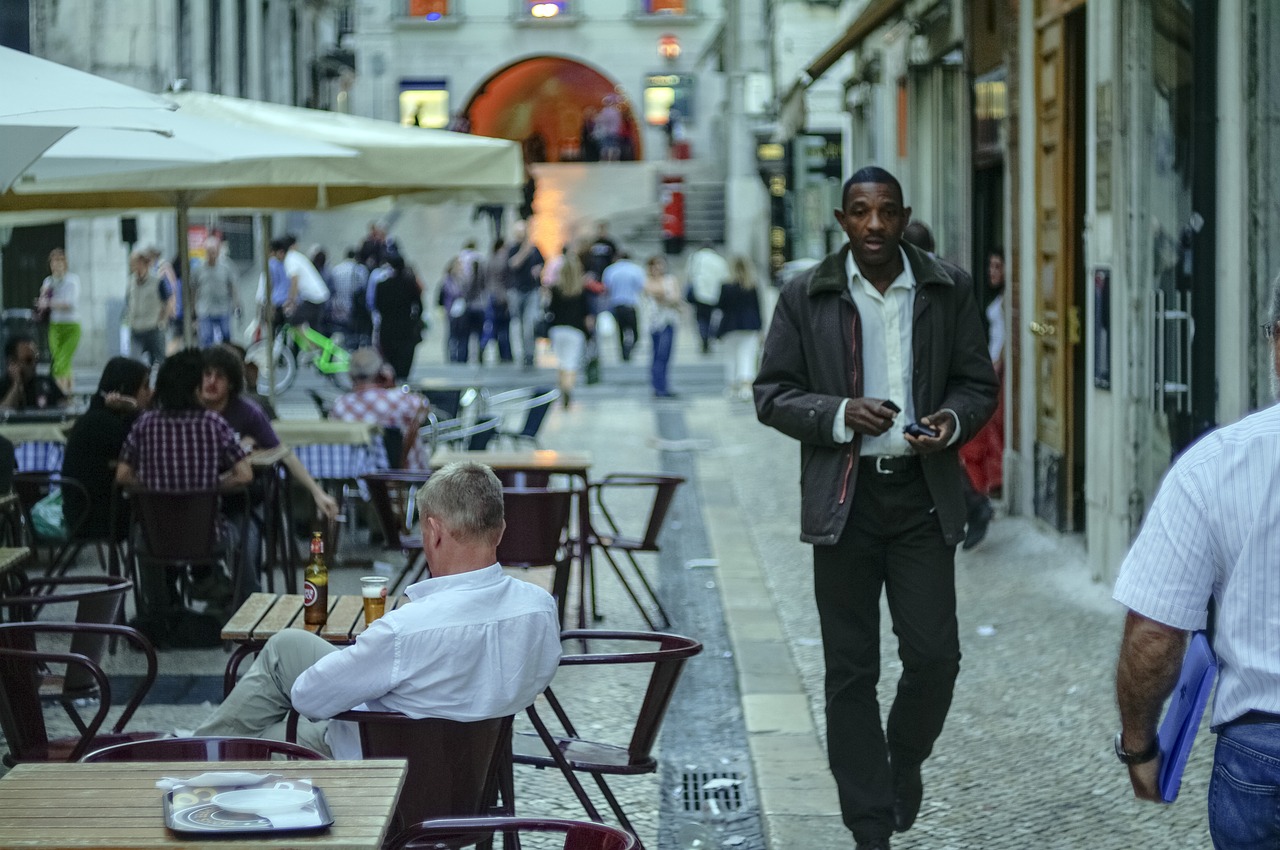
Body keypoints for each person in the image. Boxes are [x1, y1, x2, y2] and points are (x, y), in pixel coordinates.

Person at [753, 166, 998, 850]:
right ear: (841, 220)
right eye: (860, 212)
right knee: (850, 670)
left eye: (886, 211)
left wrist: (950, 421)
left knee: (935, 658)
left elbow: (977, 383)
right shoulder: (807, 294)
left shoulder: (948, 288)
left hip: (921, 498)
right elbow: (772, 393)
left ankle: (905, 758)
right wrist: (838, 412)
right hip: (845, 502)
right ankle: (869, 825)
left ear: (903, 214)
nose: (874, 225)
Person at [192, 461, 563, 758]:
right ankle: (196, 745)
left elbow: (308, 697)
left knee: (251, 738)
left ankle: (189, 755)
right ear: (499, 531)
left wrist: (372, 678)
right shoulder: (539, 608)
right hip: (472, 761)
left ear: (433, 532)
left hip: (379, 755)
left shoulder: (405, 630)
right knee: (286, 646)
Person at [1111, 279, 1280, 847]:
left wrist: (1139, 744)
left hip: (1262, 754)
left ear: (1276, 343)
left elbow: (1155, 637)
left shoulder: (1213, 467)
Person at [117, 349, 253, 616]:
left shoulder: (145, 424)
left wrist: (151, 482)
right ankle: (213, 585)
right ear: (194, 388)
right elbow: (245, 474)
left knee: (142, 537)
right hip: (205, 538)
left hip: (156, 536)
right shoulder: (213, 424)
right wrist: (213, 483)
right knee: (235, 531)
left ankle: (158, 611)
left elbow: (122, 476)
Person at [200, 346, 338, 597]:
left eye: (219, 376)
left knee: (245, 546)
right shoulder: (190, 411)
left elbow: (283, 452)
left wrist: (317, 492)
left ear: (231, 382)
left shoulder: (247, 411)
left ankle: (247, 606)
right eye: (206, 374)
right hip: (199, 503)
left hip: (244, 503)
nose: (211, 381)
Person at [61, 357, 151, 542]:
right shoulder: (104, 424)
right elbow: (145, 454)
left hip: (88, 510)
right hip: (95, 516)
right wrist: (135, 411)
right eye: (145, 386)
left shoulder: (100, 418)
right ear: (127, 390)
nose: (150, 393)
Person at [957, 247, 1006, 548]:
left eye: (997, 266)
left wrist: (990, 373)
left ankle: (978, 501)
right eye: (989, 265)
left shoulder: (1006, 302)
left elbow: (1002, 342)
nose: (992, 272)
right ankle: (977, 501)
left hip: (992, 374)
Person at [330, 348, 430, 469]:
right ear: (381, 373)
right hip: (402, 469)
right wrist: (391, 384)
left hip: (359, 472)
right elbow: (423, 406)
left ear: (351, 375)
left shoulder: (341, 405)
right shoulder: (401, 399)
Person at [547, 248, 593, 408]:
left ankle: (562, 389)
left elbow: (550, 311)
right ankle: (568, 389)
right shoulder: (581, 291)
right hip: (575, 330)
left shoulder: (556, 289)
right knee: (571, 363)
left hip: (557, 330)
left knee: (561, 363)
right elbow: (587, 315)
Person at [716, 256, 764, 401]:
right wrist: (761, 329)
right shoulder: (752, 285)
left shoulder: (726, 286)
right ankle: (746, 386)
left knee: (731, 356)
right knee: (747, 355)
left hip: (730, 326)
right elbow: (757, 308)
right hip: (750, 325)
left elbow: (721, 306)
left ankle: (732, 385)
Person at [373, 254, 425, 381]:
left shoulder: (382, 285)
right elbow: (419, 306)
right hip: (406, 329)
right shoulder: (410, 284)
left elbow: (377, 306)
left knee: (390, 364)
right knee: (404, 366)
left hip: (387, 328)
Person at [39, 248, 81, 394]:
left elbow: (70, 303)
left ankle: (60, 392)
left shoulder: (73, 280)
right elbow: (43, 301)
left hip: (71, 326)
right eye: (53, 262)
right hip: (55, 325)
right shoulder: (48, 281)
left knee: (62, 361)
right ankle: (68, 392)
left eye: (59, 261)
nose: (56, 265)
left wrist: (51, 303)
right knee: (59, 360)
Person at [506, 220, 545, 369]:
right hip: (517, 291)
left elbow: (542, 263)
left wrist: (539, 269)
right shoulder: (513, 248)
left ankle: (530, 354)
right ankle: (523, 353)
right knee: (520, 325)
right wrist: (525, 250)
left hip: (532, 290)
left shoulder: (535, 249)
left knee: (530, 323)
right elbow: (513, 264)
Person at [643, 254, 682, 399]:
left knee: (665, 355)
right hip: (654, 323)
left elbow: (675, 298)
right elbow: (653, 292)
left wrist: (665, 298)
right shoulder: (647, 280)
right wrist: (666, 298)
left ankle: (664, 385)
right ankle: (658, 387)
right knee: (657, 355)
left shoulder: (670, 280)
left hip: (668, 321)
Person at [124, 249, 171, 366]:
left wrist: (163, 321)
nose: (133, 266)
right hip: (136, 329)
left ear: (143, 263)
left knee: (159, 363)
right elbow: (128, 301)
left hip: (153, 328)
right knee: (134, 363)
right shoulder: (131, 282)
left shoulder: (157, 281)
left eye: (135, 263)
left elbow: (168, 302)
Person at [192, 239, 239, 347]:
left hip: (223, 308)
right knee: (206, 338)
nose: (211, 254)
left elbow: (232, 286)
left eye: (213, 251)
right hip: (205, 309)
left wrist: (236, 303)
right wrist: (193, 307)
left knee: (226, 336)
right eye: (209, 251)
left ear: (218, 252)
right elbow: (194, 288)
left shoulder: (226, 267)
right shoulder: (198, 269)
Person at [685, 242, 729, 355]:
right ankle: (710, 336)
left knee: (701, 318)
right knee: (712, 317)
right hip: (715, 294)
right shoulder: (719, 260)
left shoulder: (696, 257)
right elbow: (724, 278)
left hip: (699, 292)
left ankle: (704, 337)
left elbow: (689, 274)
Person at [0, 335, 65, 411]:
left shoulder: (46, 383)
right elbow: (2, 413)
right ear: (12, 362)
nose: (34, 365)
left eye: (36, 359)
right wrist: (17, 385)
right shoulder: (2, 386)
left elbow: (65, 408)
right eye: (29, 360)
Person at [602, 251, 645, 363]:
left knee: (620, 330)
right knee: (635, 331)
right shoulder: (636, 269)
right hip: (630, 304)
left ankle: (623, 351)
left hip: (616, 304)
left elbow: (606, 287)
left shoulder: (611, 270)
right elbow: (640, 286)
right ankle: (628, 349)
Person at [283, 235, 330, 329]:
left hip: (312, 297)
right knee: (314, 327)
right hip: (318, 295)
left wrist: (291, 300)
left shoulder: (290, 258)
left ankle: (308, 344)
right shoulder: (297, 256)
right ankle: (314, 343)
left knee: (294, 322)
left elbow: (294, 280)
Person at [327, 248, 367, 341]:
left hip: (337, 308)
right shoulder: (360, 270)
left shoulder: (336, 269)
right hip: (353, 308)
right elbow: (364, 288)